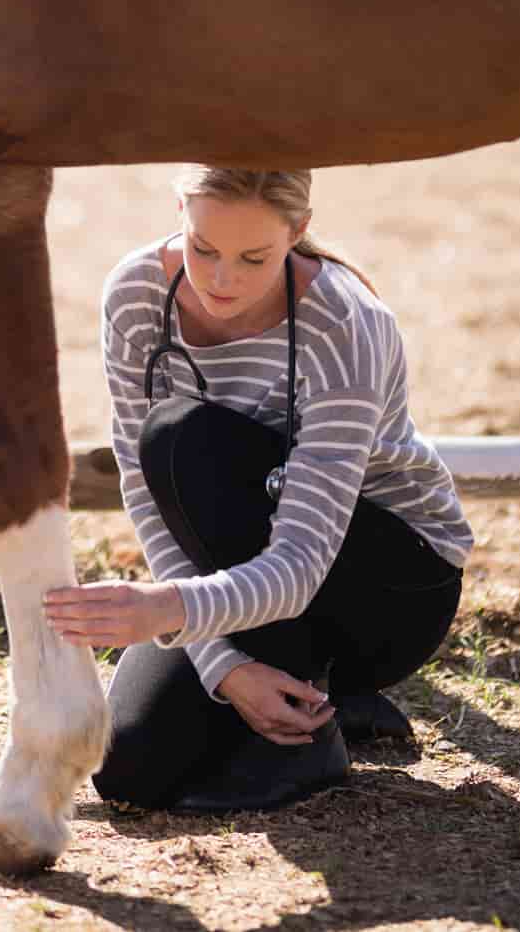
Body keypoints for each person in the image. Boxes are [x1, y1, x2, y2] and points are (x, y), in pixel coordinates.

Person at [44, 166, 473, 811]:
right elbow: (143, 488)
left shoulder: (345, 324)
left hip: (389, 585)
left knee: (184, 440)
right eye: (203, 248)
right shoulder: (135, 295)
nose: (221, 280)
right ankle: (314, 691)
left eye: (254, 258)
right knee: (129, 769)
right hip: (245, 572)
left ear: (298, 231)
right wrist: (224, 667)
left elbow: (300, 566)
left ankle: (307, 736)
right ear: (179, 212)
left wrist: (165, 609)